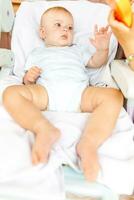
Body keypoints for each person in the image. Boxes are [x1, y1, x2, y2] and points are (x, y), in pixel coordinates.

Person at [2, 6, 123, 181]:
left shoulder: (77, 50)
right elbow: (27, 80)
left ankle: (88, 144)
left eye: (70, 27)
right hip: (47, 93)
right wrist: (29, 77)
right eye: (58, 25)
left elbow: (96, 63)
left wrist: (102, 49)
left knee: (114, 96)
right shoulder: (37, 53)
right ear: (43, 33)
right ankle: (43, 129)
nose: (65, 29)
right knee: (11, 93)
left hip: (80, 93)